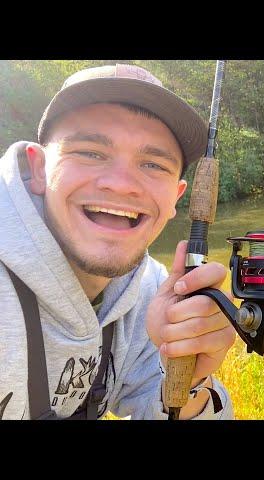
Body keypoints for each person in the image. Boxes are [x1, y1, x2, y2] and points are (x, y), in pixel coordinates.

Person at [0, 63, 236, 420]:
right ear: (38, 168)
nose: (121, 183)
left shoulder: (154, 293)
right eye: (91, 153)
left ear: (176, 196)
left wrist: (192, 378)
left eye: (153, 164)